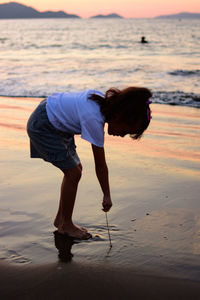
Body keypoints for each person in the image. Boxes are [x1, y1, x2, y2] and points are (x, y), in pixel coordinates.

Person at [27, 87, 152, 240]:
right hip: (45, 125)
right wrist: (106, 195)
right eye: (125, 131)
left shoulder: (100, 102)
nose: (122, 135)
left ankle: (61, 219)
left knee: (76, 169)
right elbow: (100, 164)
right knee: (73, 173)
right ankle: (66, 225)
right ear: (120, 116)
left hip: (54, 118)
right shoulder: (94, 118)